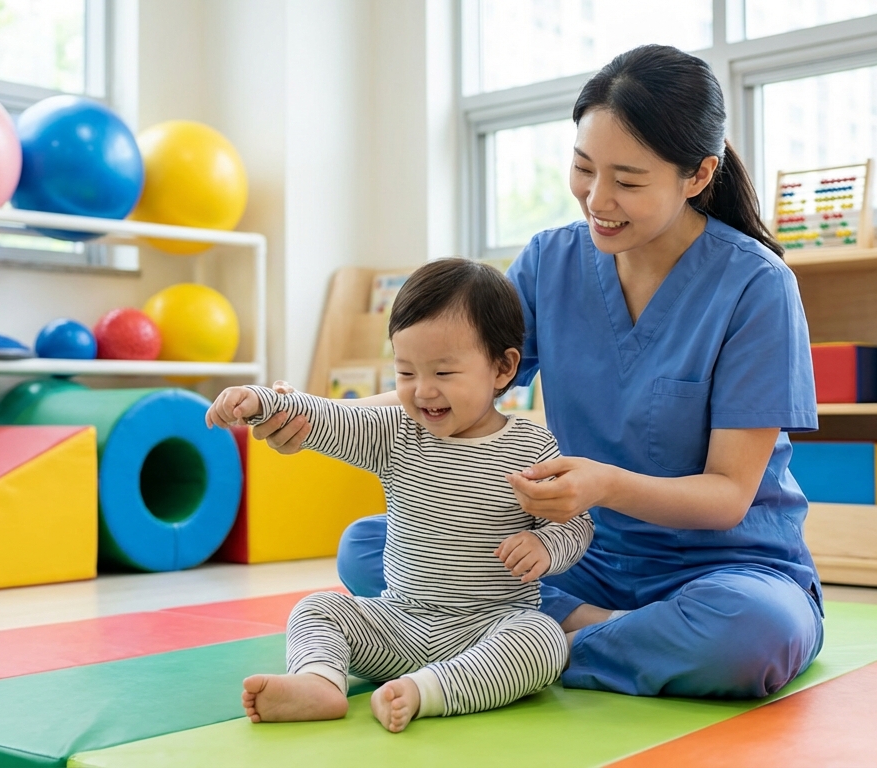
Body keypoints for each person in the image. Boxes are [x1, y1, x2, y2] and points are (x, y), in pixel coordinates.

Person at [252, 44, 824, 700]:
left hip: (724, 570)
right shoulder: (551, 260)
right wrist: (314, 416)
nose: (597, 199)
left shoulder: (756, 286)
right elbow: (450, 383)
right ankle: (552, 643)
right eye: (583, 167)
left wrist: (604, 485)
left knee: (752, 635)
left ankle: (531, 647)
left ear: (698, 175)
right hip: (575, 556)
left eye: (628, 181)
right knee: (368, 545)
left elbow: (728, 496)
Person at [206, 258, 593, 732]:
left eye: (443, 373)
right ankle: (320, 681)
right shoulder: (397, 431)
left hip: (487, 630)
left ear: (502, 368)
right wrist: (264, 401)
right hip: (398, 622)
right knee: (318, 607)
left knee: (543, 640)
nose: (422, 392)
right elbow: (331, 419)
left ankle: (428, 691)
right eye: (406, 373)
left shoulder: (532, 447)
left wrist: (545, 546)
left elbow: (575, 523)